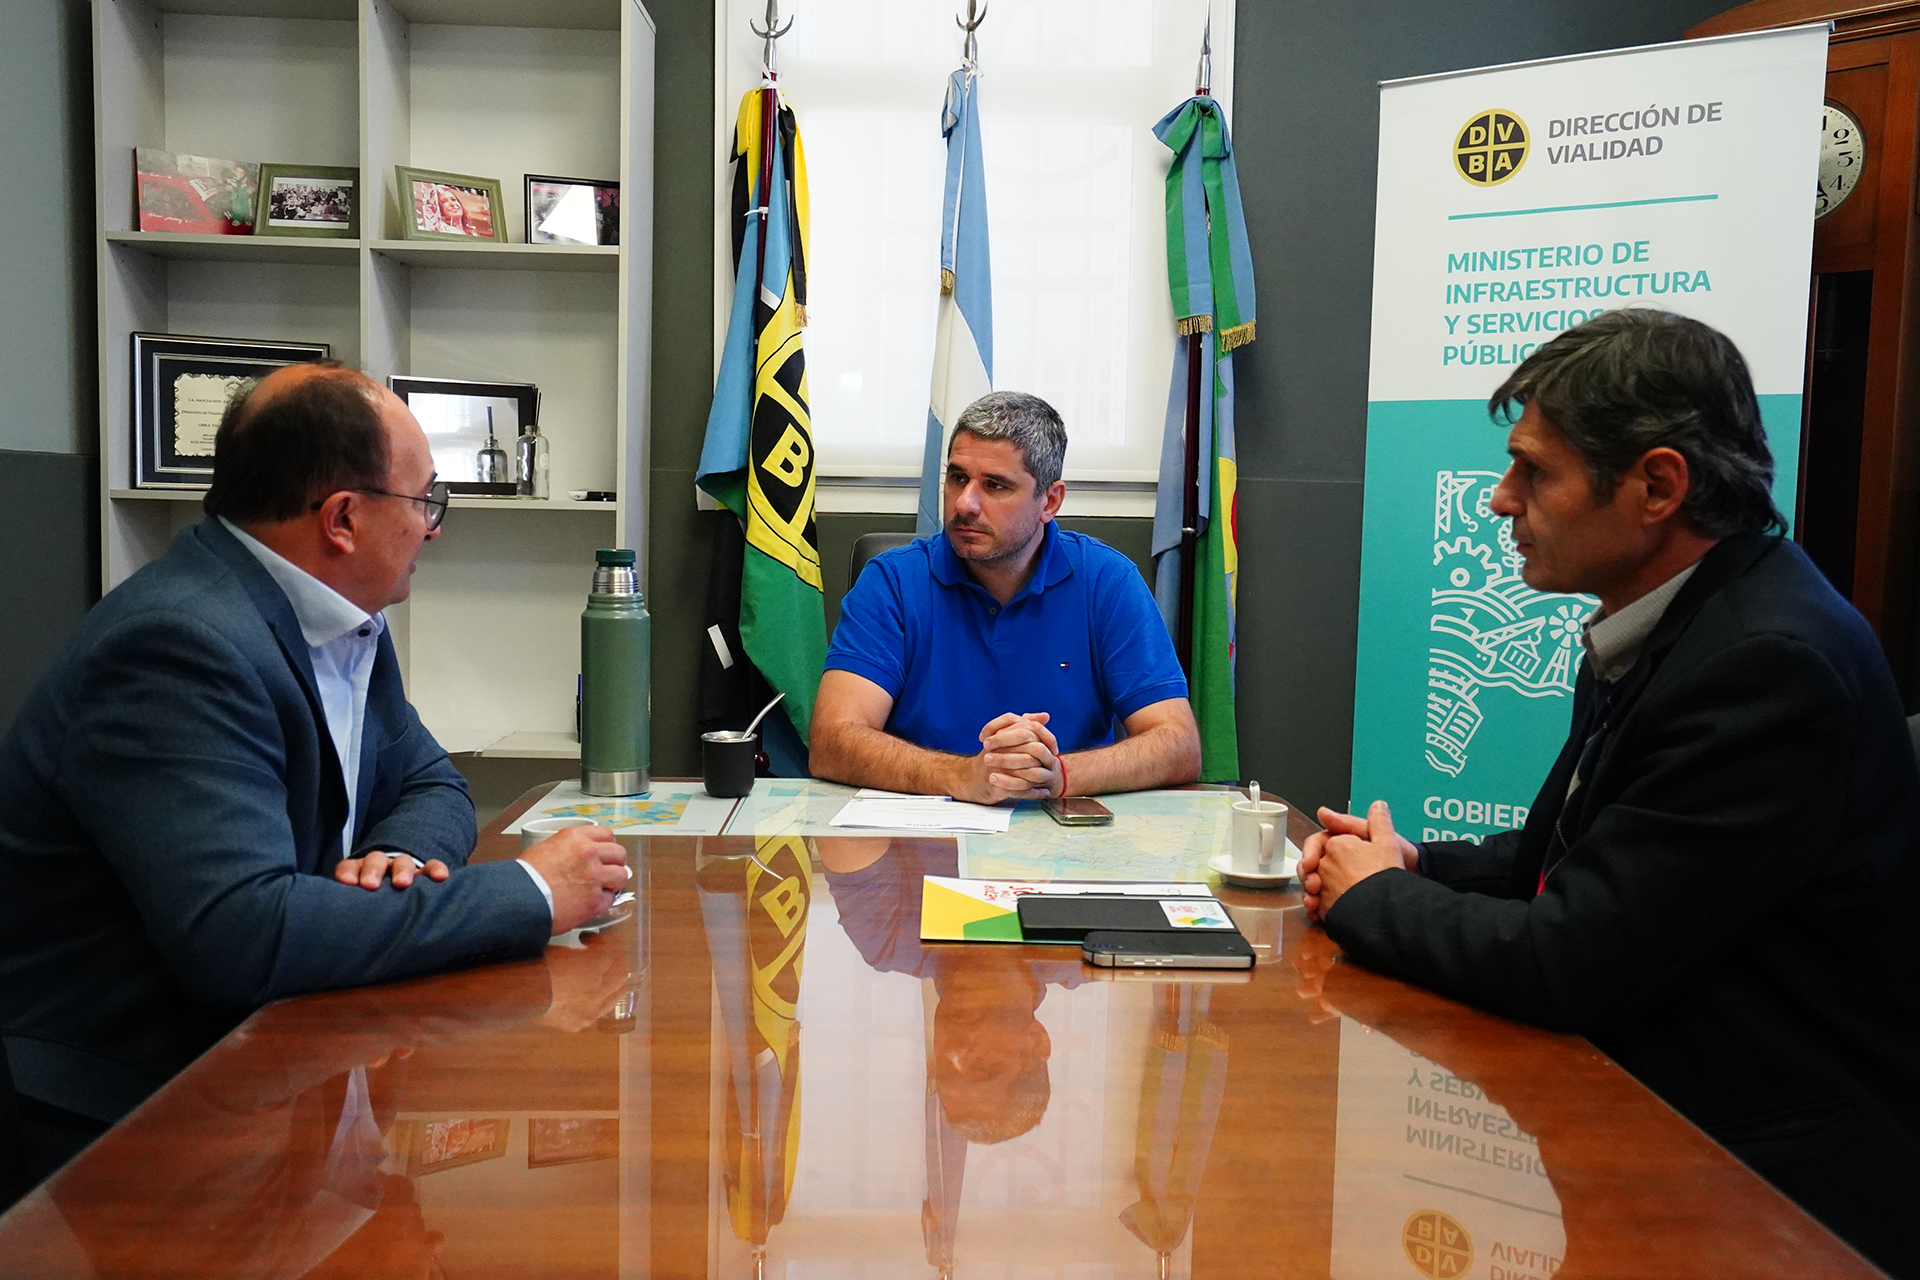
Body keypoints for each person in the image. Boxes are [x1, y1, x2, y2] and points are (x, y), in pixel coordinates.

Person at [1296, 309, 1920, 1278]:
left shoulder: (1769, 665)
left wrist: (1373, 895)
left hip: (1767, 1204)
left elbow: (1572, 960)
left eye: (1533, 472)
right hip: (1666, 1150)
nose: (1500, 499)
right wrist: (1417, 861)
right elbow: (1565, 852)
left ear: (1657, 486)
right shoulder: (1671, 619)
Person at [0, 364, 630, 1181]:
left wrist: (397, 860)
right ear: (343, 519)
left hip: (268, 1065)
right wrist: (534, 893)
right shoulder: (179, 645)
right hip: (127, 1118)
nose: (433, 529)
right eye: (425, 502)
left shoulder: (343, 619)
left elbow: (431, 783)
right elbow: (243, 937)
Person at [811, 391, 1200, 802]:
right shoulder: (892, 581)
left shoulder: (1107, 581)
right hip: (923, 827)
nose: (965, 503)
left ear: (1050, 501)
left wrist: (1057, 775)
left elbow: (1178, 744)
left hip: (1062, 827)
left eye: (995, 485)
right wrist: (963, 776)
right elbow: (832, 741)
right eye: (957, 478)